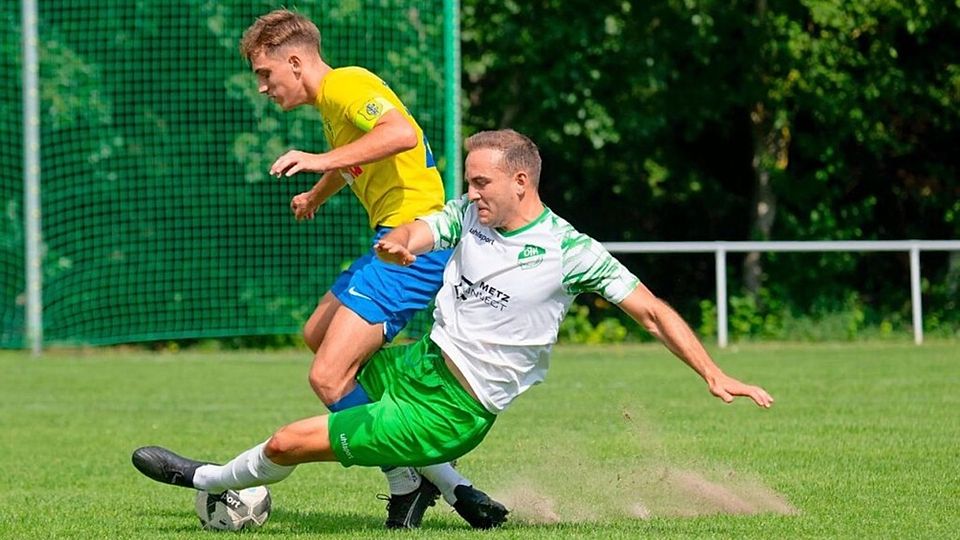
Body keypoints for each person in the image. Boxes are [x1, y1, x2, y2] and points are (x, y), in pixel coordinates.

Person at [132, 129, 774, 528]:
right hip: (423, 367)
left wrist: (714, 374)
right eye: (469, 181)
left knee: (289, 439)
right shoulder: (470, 213)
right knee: (330, 369)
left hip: (455, 408)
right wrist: (399, 245)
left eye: (482, 180)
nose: (472, 191)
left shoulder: (569, 250)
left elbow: (655, 310)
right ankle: (446, 488)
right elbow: (424, 227)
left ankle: (207, 481)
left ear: (522, 181)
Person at [236, 9, 504, 529]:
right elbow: (359, 157)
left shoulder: (345, 85)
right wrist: (317, 192)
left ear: (295, 62)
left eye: (266, 74)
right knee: (317, 334)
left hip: (413, 243)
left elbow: (400, 133)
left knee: (329, 377)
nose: (264, 88)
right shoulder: (334, 105)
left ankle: (409, 482)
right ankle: (442, 475)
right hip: (389, 241)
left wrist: (315, 161)